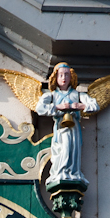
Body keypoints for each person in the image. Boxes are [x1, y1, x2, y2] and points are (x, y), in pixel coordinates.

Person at [34, 62, 98, 190]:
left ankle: (73, 173)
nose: (64, 78)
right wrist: (58, 107)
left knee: (72, 149)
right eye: (61, 75)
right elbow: (39, 108)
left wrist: (80, 106)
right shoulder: (52, 95)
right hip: (60, 128)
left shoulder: (78, 95)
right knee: (63, 148)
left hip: (73, 127)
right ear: (55, 78)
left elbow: (95, 105)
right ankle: (60, 172)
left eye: (67, 75)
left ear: (71, 78)